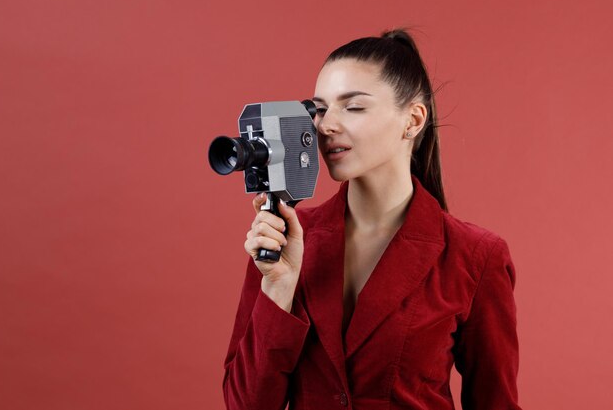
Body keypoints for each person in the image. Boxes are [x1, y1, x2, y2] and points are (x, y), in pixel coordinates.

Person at [223, 29, 522, 410]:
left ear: (413, 120)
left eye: (354, 106)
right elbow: (244, 405)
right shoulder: (282, 238)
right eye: (319, 109)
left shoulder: (476, 256)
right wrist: (278, 291)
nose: (326, 126)